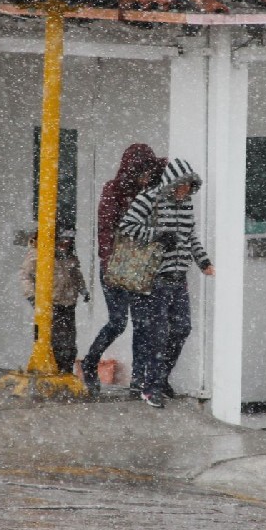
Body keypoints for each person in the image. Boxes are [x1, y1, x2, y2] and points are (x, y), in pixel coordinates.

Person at [119, 158, 214, 409]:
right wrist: (158, 235)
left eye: (190, 186)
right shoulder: (149, 199)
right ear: (172, 182)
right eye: (182, 185)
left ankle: (159, 378)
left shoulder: (186, 205)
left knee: (182, 328)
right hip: (155, 278)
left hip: (178, 277)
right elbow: (127, 227)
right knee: (157, 335)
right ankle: (150, 389)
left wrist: (203, 262)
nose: (185, 191)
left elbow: (190, 236)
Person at [80, 144, 161, 396]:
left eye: (150, 171)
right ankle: (90, 363)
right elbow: (105, 229)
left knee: (142, 323)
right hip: (115, 268)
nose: (147, 176)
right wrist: (110, 260)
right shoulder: (113, 191)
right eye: (143, 170)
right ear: (132, 170)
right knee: (117, 322)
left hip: (140, 269)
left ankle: (138, 381)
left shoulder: (148, 192)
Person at [20, 229, 89, 374]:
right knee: (55, 340)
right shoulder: (38, 254)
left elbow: (76, 274)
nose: (66, 244)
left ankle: (66, 369)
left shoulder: (69, 256)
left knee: (69, 341)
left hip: (68, 303)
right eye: (62, 240)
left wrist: (83, 290)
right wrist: (32, 296)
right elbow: (25, 276)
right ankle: (54, 369)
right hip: (52, 304)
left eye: (69, 241)